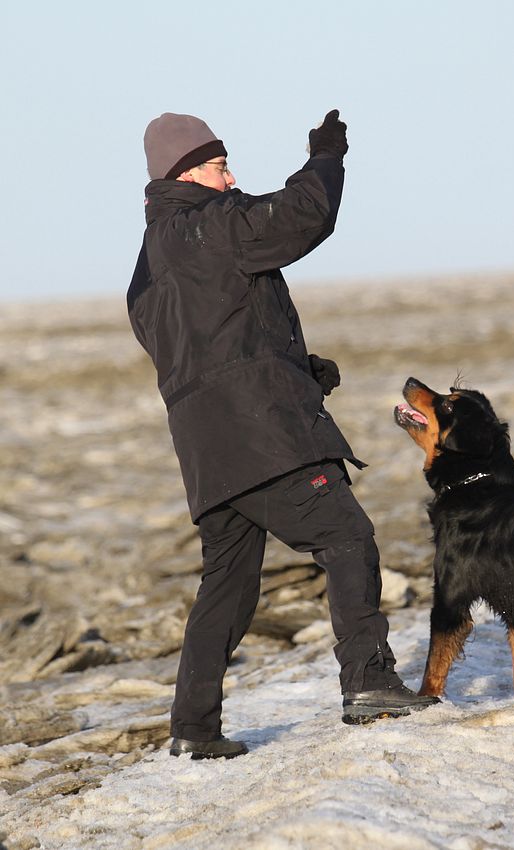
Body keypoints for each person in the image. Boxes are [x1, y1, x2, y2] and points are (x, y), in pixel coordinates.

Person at [127, 109, 438, 759]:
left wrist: (296, 370)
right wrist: (326, 156)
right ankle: (369, 683)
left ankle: (193, 728)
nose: (231, 176)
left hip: (207, 450)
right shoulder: (210, 226)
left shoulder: (147, 267)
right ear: (186, 172)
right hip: (262, 435)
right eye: (219, 166)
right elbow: (301, 215)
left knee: (228, 586)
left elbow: (209, 346)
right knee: (346, 536)